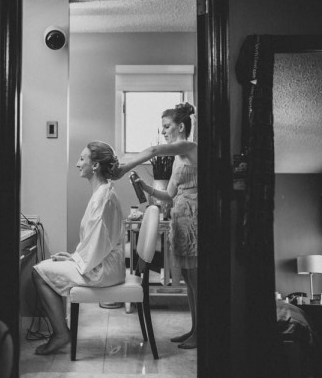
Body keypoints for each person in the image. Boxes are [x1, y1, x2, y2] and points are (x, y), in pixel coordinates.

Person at [113, 102, 198, 349]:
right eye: (162, 127)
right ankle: (194, 329)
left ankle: (200, 332)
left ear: (181, 127)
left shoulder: (190, 147)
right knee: (190, 282)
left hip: (194, 219)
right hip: (181, 220)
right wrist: (144, 186)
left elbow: (154, 149)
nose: (164, 131)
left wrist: (123, 168)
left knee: (196, 280)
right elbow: (169, 194)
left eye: (167, 126)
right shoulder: (179, 161)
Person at [32, 141, 126, 355]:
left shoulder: (103, 197)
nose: (77, 164)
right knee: (48, 266)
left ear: (95, 166)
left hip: (104, 270)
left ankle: (61, 333)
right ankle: (61, 330)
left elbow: (98, 245)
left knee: (38, 272)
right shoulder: (103, 192)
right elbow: (96, 243)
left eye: (82, 158)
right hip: (102, 262)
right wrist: (74, 256)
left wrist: (75, 260)